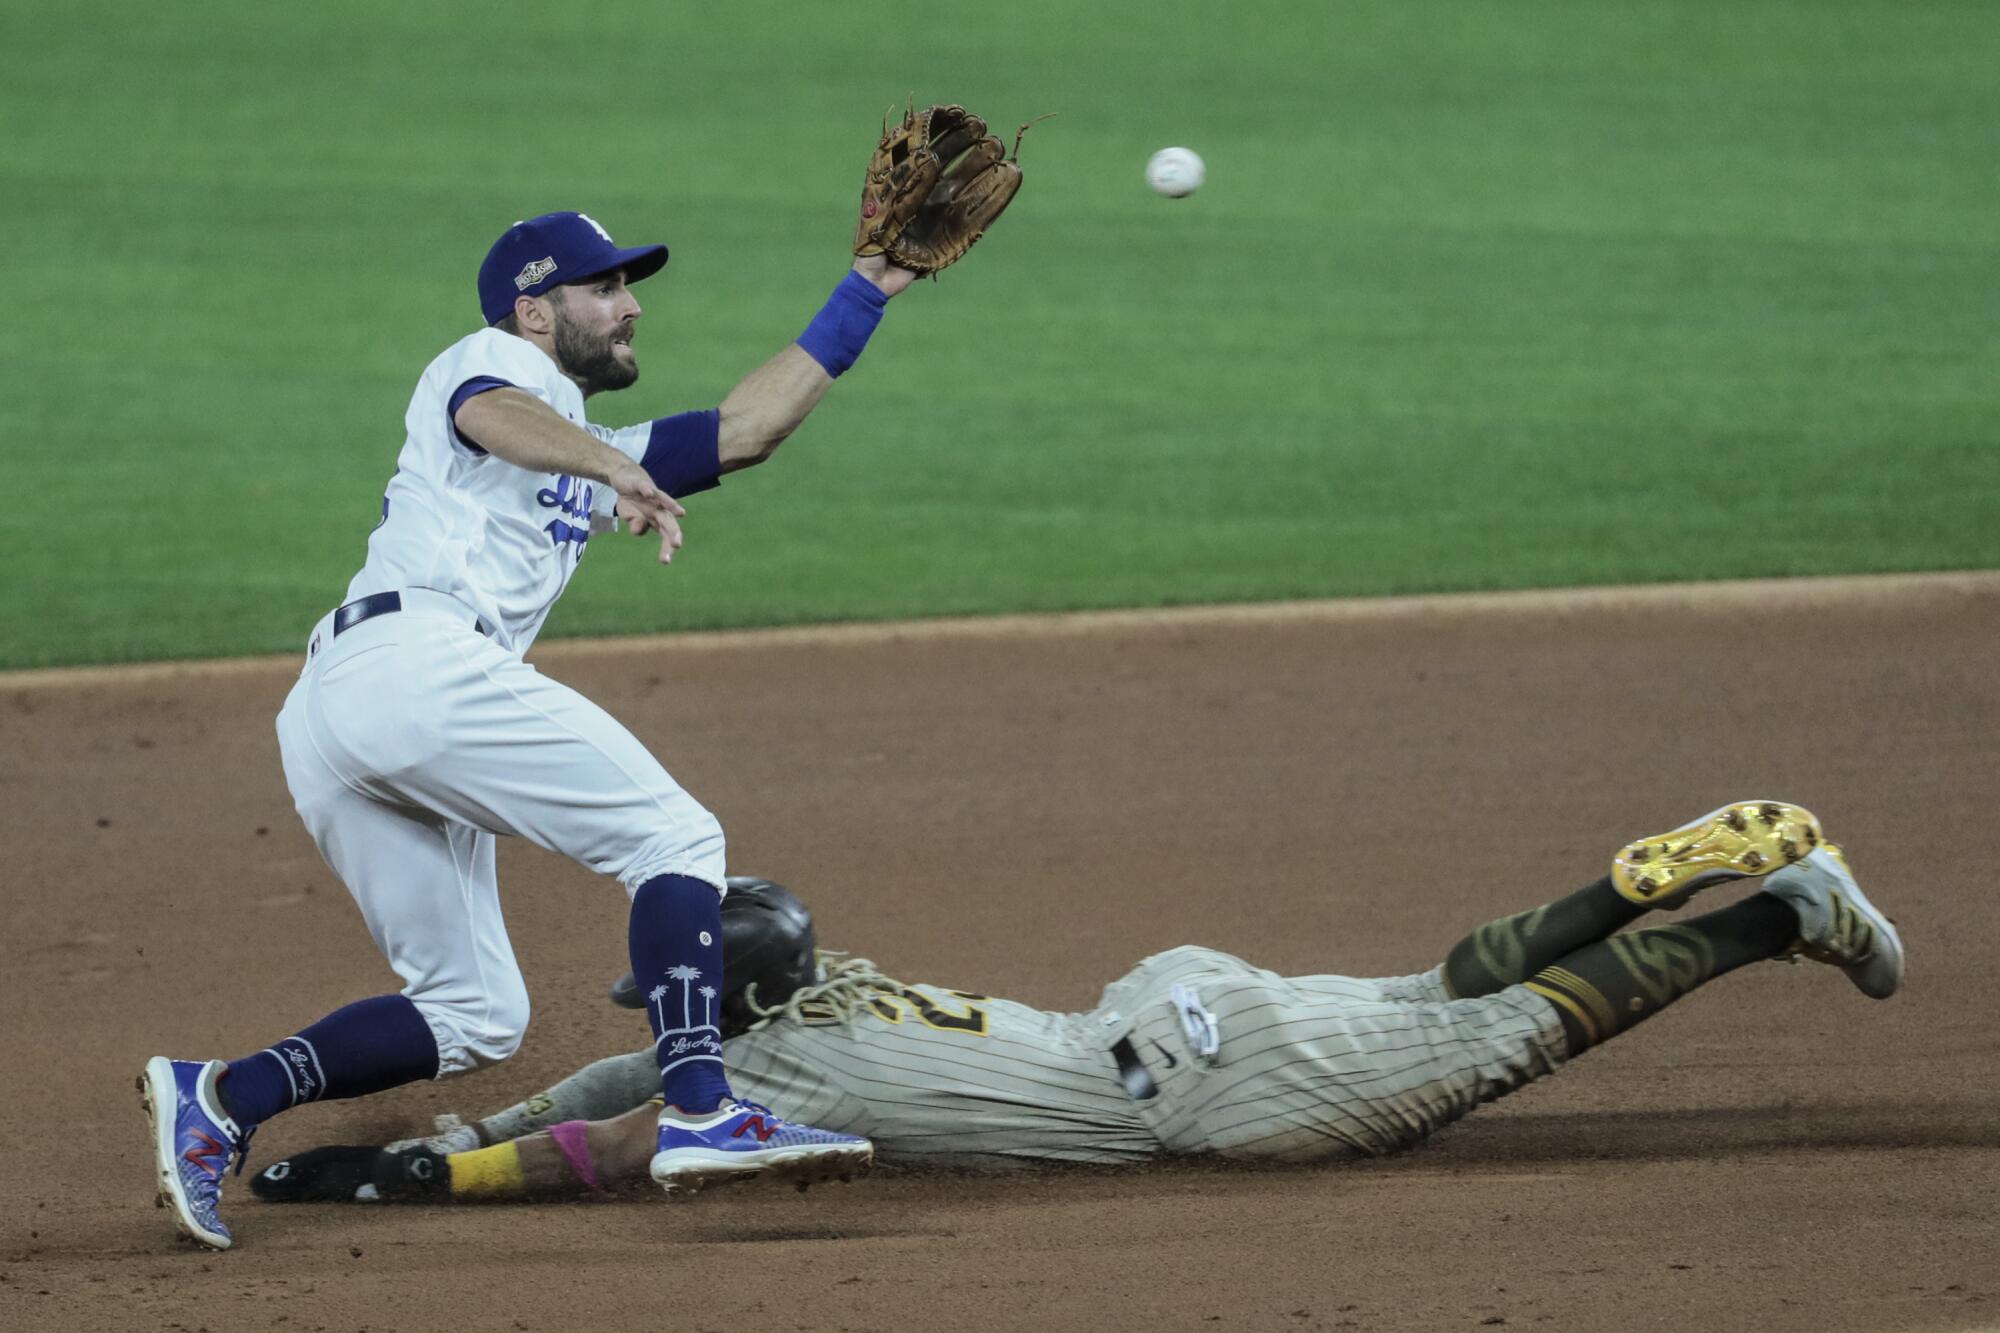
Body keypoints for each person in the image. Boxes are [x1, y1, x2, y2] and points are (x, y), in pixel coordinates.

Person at [142, 209, 922, 1249]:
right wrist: (610, 470)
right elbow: (490, 412)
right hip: (413, 666)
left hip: (344, 706)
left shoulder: (582, 442)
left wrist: (866, 288)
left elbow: (745, 430)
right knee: (676, 840)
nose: (630, 303)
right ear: (534, 309)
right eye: (603, 288)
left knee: (473, 1014)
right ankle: (700, 1108)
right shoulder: (498, 365)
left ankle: (225, 1097)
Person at [248, 800, 1905, 1204]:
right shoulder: (806, 1006)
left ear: (723, 998)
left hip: (1205, 1092)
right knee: (1435, 995)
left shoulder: (779, 1076)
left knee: (1505, 1034)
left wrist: (427, 1169)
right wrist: (453, 1135)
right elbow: (602, 1084)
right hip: (1175, 1002)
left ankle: (1764, 914)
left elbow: (593, 1150)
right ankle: (1636, 885)